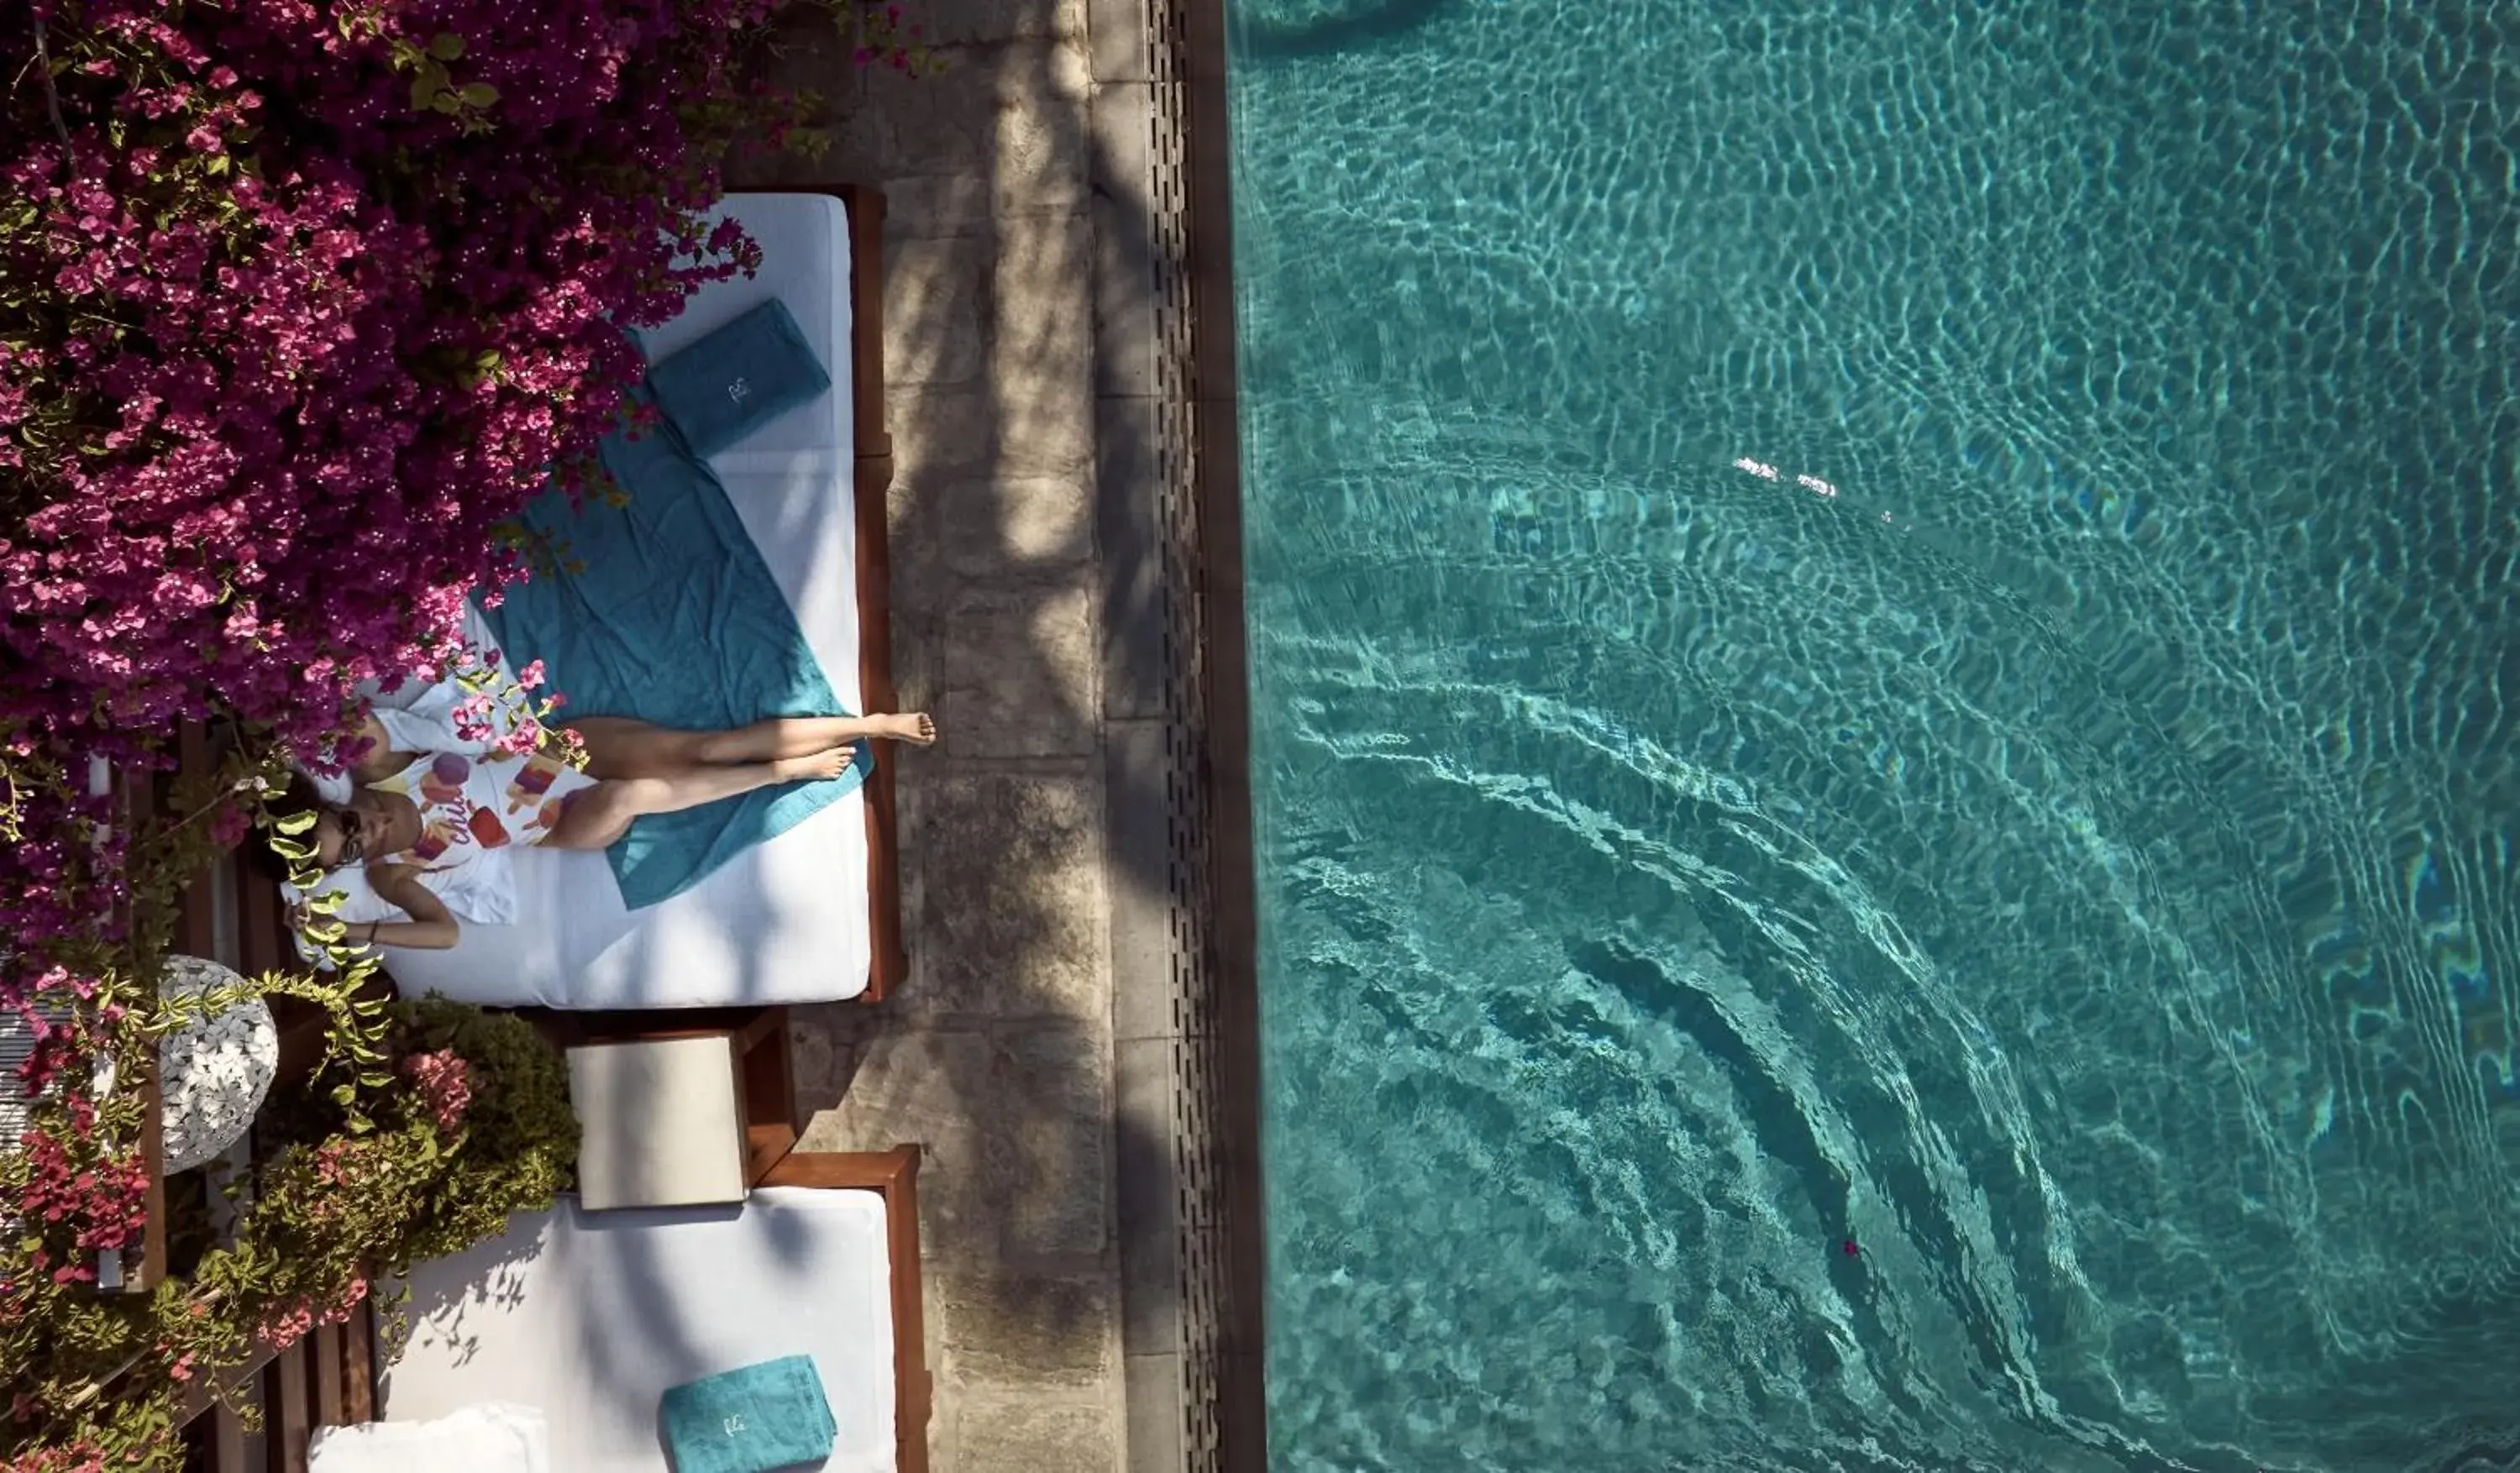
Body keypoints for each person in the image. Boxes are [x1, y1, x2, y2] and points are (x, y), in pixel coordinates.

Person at [270, 707, 934, 950]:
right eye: (353, 849)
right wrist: (350, 929)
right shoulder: (394, 872)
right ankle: (784, 773)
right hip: (571, 819)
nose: (369, 833)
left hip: (562, 752)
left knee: (704, 747)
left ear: (336, 804)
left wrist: (271, 758)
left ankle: (872, 725)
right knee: (633, 794)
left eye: (349, 825)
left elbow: (348, 710)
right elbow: (442, 935)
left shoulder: (379, 772)